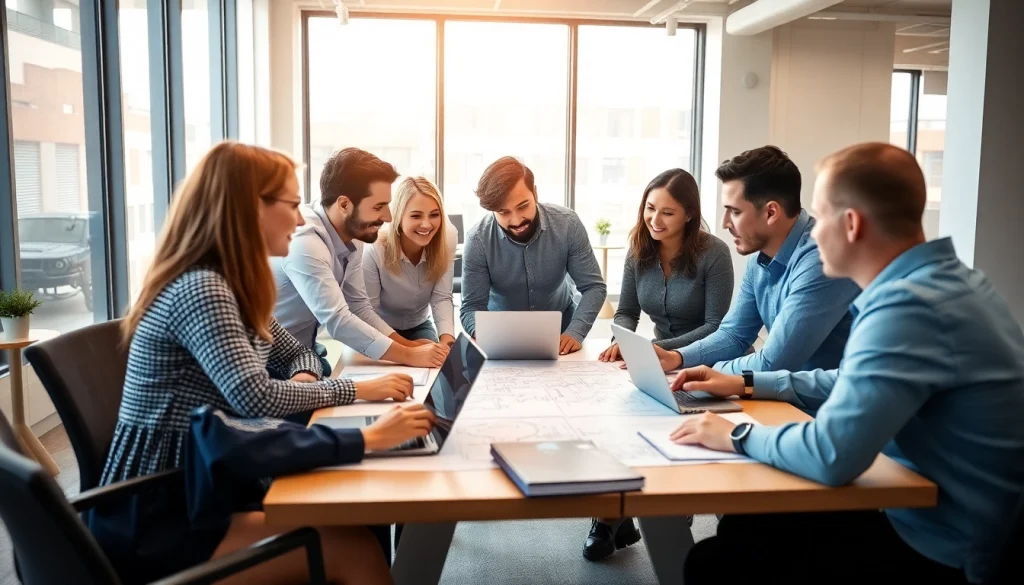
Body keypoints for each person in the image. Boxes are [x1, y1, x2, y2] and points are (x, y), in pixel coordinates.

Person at [668, 143, 1024, 585]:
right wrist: (744, 382)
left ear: (851, 224)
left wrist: (735, 433)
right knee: (748, 524)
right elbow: (847, 379)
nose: (813, 232)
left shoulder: (906, 306)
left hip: (946, 546)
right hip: (930, 509)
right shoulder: (949, 282)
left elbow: (831, 455)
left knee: (716, 562)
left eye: (820, 215)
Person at [89, 142, 435, 585]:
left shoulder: (233, 285)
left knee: (353, 513)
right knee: (356, 546)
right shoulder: (205, 289)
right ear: (248, 209)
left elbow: (297, 351)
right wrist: (362, 412)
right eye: (291, 205)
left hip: (206, 482)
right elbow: (255, 396)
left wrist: (308, 376)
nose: (298, 218)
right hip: (164, 514)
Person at [584, 169, 735, 561]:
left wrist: (658, 350)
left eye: (667, 212)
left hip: (707, 361)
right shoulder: (638, 249)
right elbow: (628, 311)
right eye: (650, 208)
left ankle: (665, 510)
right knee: (619, 418)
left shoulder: (714, 253)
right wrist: (622, 342)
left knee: (673, 433)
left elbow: (716, 326)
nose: (655, 220)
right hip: (657, 355)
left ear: (688, 213)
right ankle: (611, 516)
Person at [652, 146, 861, 383]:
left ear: (771, 212)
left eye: (734, 212)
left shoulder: (820, 259)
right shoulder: (758, 257)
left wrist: (712, 372)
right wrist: (677, 358)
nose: (724, 223)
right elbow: (734, 334)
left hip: (820, 407)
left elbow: (773, 362)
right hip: (779, 396)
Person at [272, 148, 447, 373]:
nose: (388, 217)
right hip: (273, 360)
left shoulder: (354, 234)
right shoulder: (305, 242)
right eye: (378, 207)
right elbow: (338, 320)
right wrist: (409, 354)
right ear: (344, 205)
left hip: (305, 353)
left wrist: (410, 346)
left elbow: (358, 306)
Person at [460, 156, 606, 355]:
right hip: (501, 339)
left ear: (535, 193)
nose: (516, 220)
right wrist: (483, 334)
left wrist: (575, 332)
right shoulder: (477, 240)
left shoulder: (568, 224)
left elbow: (593, 287)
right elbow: (471, 306)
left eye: (523, 206)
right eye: (503, 212)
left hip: (561, 334)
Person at [363, 176, 458, 347]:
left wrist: (447, 342)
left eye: (434, 215)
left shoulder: (447, 238)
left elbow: (441, 296)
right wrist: (410, 350)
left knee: (435, 362)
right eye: (416, 216)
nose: (426, 224)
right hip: (380, 328)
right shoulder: (375, 248)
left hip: (419, 324)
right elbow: (368, 311)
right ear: (398, 217)